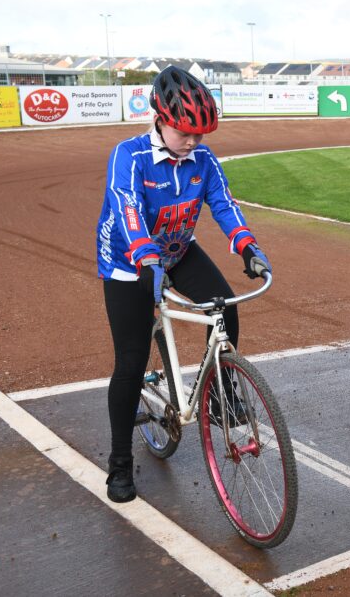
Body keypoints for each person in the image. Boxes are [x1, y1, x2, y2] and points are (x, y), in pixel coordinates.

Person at [96, 66, 270, 503]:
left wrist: (246, 245)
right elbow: (127, 207)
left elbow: (224, 205)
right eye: (185, 133)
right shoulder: (128, 156)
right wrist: (146, 259)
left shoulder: (204, 160)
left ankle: (220, 393)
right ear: (159, 117)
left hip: (177, 249)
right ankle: (119, 464)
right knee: (131, 362)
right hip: (128, 261)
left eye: (200, 134)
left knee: (224, 306)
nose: (193, 142)